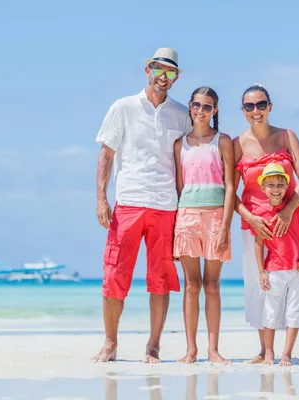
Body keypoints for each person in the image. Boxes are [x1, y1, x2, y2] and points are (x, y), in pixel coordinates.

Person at [94, 48, 192, 363]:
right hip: (129, 203)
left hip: (166, 205)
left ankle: (153, 346)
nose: (163, 77)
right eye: (158, 70)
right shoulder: (122, 107)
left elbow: (189, 160)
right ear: (147, 69)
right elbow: (107, 155)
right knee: (114, 275)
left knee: (161, 278)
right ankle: (110, 344)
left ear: (177, 78)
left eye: (170, 72)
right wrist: (101, 198)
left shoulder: (181, 114)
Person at [233, 84, 299, 366]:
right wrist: (249, 218)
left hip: (292, 222)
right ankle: (266, 351)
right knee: (261, 286)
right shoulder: (237, 144)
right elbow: (228, 191)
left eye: (261, 105)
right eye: (249, 106)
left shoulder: (286, 136)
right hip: (256, 229)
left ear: (270, 107)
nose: (256, 111)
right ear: (243, 111)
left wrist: (286, 212)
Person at [173, 87, 234, 364]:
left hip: (215, 218)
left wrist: (224, 227)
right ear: (189, 106)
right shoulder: (179, 145)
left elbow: (231, 186)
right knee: (191, 285)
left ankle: (213, 350)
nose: (200, 110)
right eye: (197, 105)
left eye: (207, 107)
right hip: (186, 217)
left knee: (212, 285)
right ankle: (191, 350)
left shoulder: (223, 141)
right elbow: (179, 187)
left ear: (215, 110)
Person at [253, 163, 299, 366]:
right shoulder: (260, 213)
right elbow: (258, 244)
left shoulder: (296, 208)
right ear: (263, 188)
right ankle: (269, 353)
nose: (275, 188)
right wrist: (261, 271)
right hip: (274, 270)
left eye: (280, 184)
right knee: (270, 312)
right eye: (270, 184)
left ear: (287, 186)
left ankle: (286, 354)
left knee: (294, 314)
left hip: (297, 271)